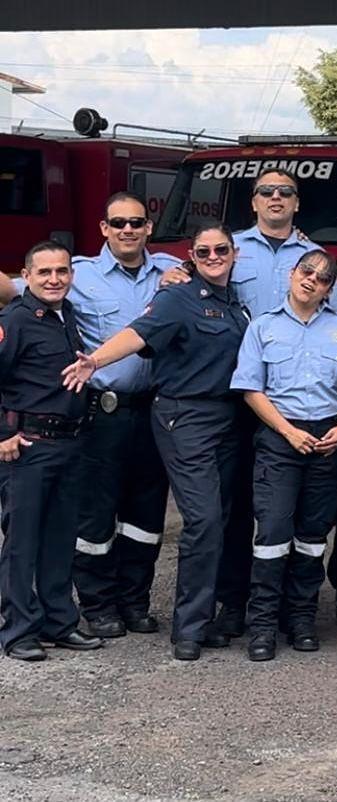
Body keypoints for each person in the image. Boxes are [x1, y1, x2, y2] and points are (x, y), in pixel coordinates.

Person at [162, 168, 337, 642]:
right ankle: (234, 604)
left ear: (297, 203)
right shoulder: (229, 250)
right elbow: (194, 281)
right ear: (254, 201)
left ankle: (289, 611)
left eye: (285, 192)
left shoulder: (313, 258)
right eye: (267, 192)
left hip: (290, 401)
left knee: (288, 516)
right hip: (235, 398)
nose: (276, 198)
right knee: (235, 508)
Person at [62, 223, 251, 661]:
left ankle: (209, 615)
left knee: (223, 518)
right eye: (203, 252)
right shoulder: (178, 297)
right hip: (186, 417)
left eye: (220, 249)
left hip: (230, 418)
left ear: (233, 252)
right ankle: (188, 627)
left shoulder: (236, 301)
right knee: (202, 519)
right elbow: (139, 333)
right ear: (193, 256)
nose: (212, 257)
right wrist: (95, 361)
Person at [230, 251, 337, 661]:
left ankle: (301, 618)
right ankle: (263, 624)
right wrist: (287, 431)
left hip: (328, 438)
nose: (311, 281)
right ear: (291, 274)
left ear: (329, 288)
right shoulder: (263, 327)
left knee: (312, 536)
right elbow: (251, 389)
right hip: (280, 437)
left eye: (322, 278)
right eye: (306, 272)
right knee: (272, 533)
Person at [68, 192, 180, 639]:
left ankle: (135, 602)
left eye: (136, 222)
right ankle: (98, 605)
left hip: (154, 413)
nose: (128, 230)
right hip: (103, 414)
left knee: (146, 518)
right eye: (118, 223)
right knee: (96, 517)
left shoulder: (172, 271)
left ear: (149, 227)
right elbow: (20, 287)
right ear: (104, 229)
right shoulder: (78, 274)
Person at [0, 241, 104, 661]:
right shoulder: (15, 320)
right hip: (27, 449)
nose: (54, 279)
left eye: (61, 271)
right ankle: (18, 630)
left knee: (60, 540)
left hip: (69, 444)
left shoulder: (67, 316)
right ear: (26, 275)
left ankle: (59, 622)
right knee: (22, 544)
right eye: (44, 272)